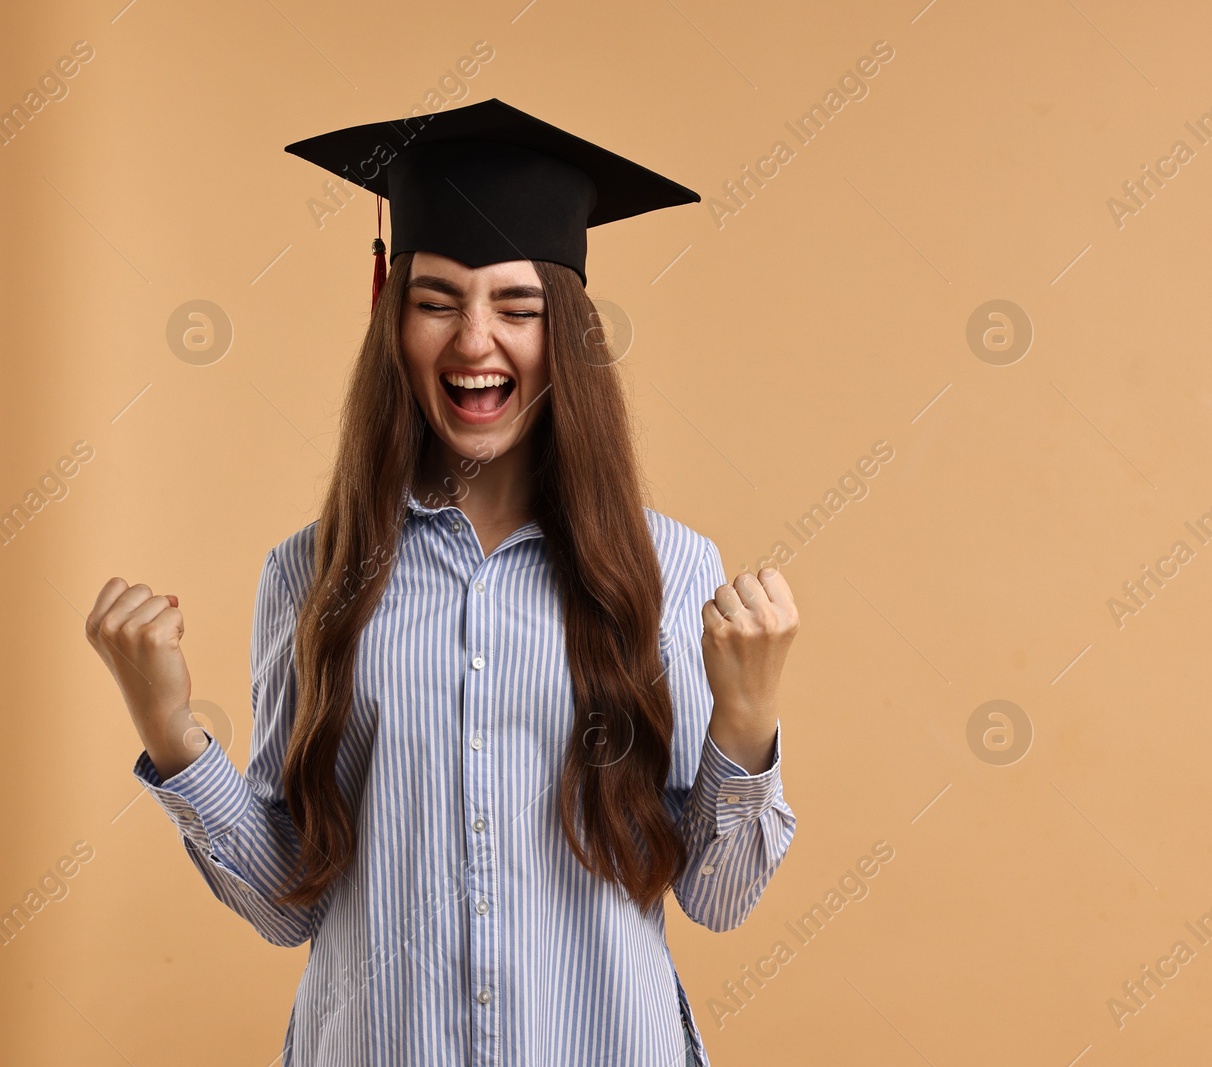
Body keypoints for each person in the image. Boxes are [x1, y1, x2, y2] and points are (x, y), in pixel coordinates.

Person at [82, 99, 799, 1066]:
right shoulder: (313, 574)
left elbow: (718, 898)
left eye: (517, 306)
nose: (473, 341)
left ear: (570, 334)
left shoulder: (669, 570)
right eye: (434, 301)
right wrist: (170, 732)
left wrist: (745, 722)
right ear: (390, 314)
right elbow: (288, 898)